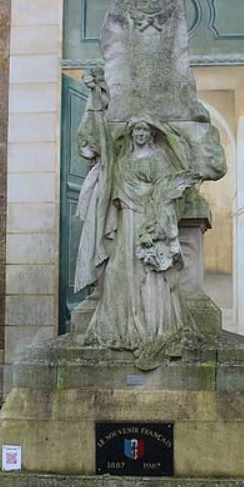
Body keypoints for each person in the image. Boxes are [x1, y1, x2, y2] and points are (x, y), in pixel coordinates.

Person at [78, 116, 200, 369]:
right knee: (116, 273)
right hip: (126, 224)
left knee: (150, 274)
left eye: (145, 129)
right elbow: (111, 181)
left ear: (151, 133)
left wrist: (156, 223)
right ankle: (121, 329)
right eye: (136, 130)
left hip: (149, 221)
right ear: (131, 134)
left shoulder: (159, 159)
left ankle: (155, 329)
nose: (141, 133)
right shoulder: (122, 161)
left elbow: (165, 191)